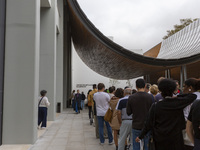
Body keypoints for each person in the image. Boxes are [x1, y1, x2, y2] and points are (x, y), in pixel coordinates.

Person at [135, 79, 197, 150]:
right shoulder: (178, 103)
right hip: (176, 138)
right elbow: (193, 96)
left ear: (160, 91)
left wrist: (140, 136)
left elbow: (148, 123)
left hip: (160, 138)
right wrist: (177, 96)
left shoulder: (155, 106)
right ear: (173, 90)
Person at [126, 78, 153, 150]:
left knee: (136, 146)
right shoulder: (150, 97)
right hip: (147, 126)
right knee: (147, 146)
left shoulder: (131, 97)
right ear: (145, 86)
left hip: (136, 125)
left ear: (136, 86)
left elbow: (128, 112)